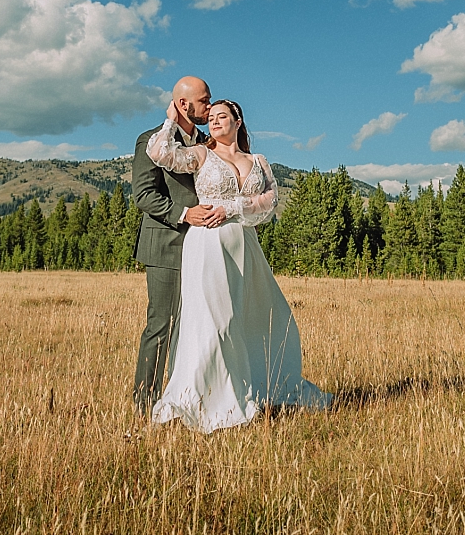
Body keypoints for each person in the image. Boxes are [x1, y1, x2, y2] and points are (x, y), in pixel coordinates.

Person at [144, 96, 332, 432]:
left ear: (238, 121)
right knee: (216, 320)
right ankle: (208, 397)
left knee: (264, 316)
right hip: (208, 244)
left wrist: (232, 209)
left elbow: (270, 200)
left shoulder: (257, 160)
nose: (214, 121)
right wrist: (171, 119)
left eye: (221, 116)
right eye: (211, 117)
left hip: (245, 246)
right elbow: (159, 153)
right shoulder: (202, 154)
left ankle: (260, 386)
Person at [132, 75, 222, 414]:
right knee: (162, 325)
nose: (209, 106)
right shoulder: (150, 141)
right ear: (183, 105)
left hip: (202, 247)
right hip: (165, 245)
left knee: (193, 328)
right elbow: (143, 195)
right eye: (204, 100)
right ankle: (145, 405)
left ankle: (180, 401)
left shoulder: (208, 142)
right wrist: (185, 213)